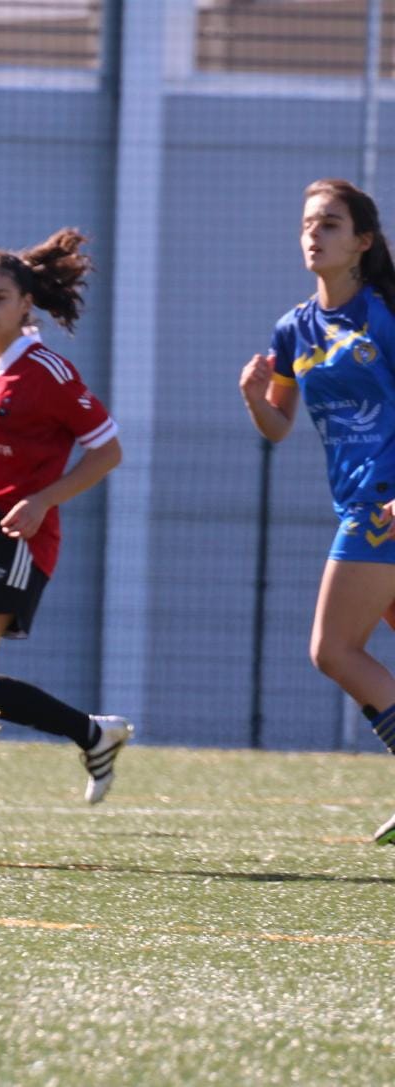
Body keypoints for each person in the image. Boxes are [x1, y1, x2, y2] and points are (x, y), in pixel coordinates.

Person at [0, 229, 132, 831]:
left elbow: (107, 450)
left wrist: (44, 500)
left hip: (21, 538)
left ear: (25, 304)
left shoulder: (45, 368)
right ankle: (90, 734)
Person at [241, 178, 395, 846]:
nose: (314, 234)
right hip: (361, 502)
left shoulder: (384, 311)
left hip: (381, 506)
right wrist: (253, 396)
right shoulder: (293, 327)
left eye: (330, 223)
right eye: (308, 223)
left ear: (362, 240)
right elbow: (278, 424)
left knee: (332, 648)